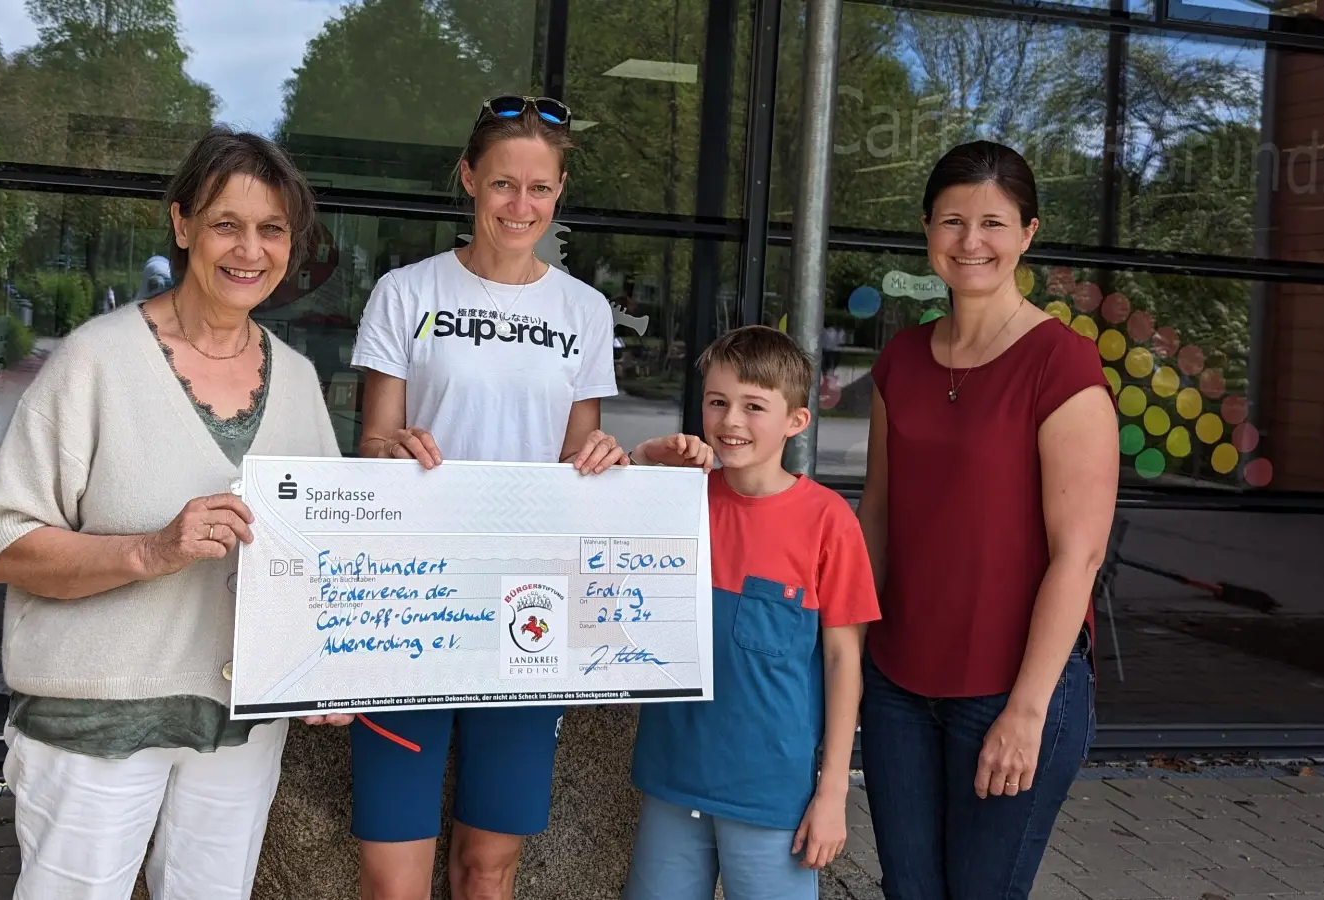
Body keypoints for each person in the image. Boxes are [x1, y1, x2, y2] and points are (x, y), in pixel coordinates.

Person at [0, 127, 350, 900]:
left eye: (272, 229)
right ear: (182, 227)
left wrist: (330, 666)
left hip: (237, 725)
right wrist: (150, 551)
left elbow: (323, 556)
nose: (250, 250)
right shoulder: (96, 360)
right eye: (226, 224)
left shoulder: (301, 381)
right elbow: (4, 545)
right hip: (94, 721)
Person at [348, 94, 626, 900]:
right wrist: (391, 447)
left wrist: (606, 457)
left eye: (539, 189)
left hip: (525, 605)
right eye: (504, 184)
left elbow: (581, 459)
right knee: (391, 877)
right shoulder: (405, 291)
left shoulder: (584, 309)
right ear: (470, 179)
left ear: (560, 192)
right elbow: (373, 443)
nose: (521, 205)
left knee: (490, 867)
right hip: (410, 598)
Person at [857, 141, 1118, 899]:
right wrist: (846, 655)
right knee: (910, 890)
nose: (972, 242)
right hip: (899, 681)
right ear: (928, 231)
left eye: (994, 223)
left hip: (1010, 687)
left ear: (1028, 234)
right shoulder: (900, 360)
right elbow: (878, 516)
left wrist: (1027, 712)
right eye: (953, 221)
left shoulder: (1060, 366)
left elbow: (1079, 556)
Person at [622, 325, 881, 900]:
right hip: (673, 778)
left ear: (796, 420)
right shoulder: (681, 499)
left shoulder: (828, 521)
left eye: (753, 406)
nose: (730, 420)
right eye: (717, 402)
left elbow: (844, 661)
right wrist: (642, 461)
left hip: (772, 793)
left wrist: (832, 791)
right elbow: (600, 556)